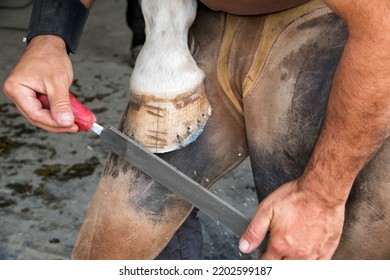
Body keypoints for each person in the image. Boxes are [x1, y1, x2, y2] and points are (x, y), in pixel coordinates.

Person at [3, 0, 390, 260]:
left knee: (326, 246)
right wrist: (48, 38)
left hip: (328, 20)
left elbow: (382, 30)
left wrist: (322, 195)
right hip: (192, 22)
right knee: (111, 251)